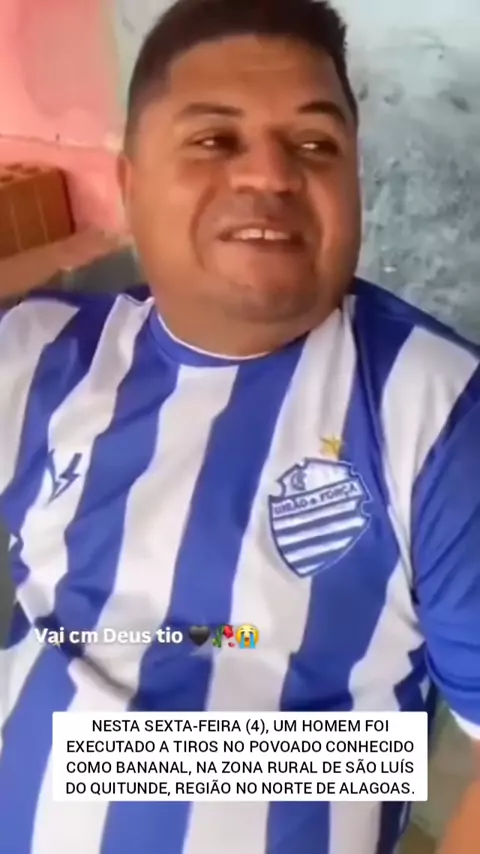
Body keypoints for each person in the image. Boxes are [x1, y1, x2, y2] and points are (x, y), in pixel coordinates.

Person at [0, 0, 478, 851]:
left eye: (315, 145)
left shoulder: (436, 410)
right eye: (215, 139)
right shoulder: (38, 358)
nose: (271, 175)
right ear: (130, 186)